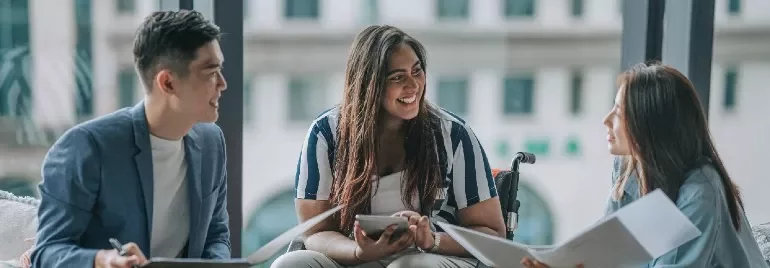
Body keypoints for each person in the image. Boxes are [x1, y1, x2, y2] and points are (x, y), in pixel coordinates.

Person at [271, 25, 506, 268]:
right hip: (354, 257)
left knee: (408, 266)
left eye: (417, 71)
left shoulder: (454, 134)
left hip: (433, 258)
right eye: (397, 77)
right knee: (290, 264)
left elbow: (493, 234)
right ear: (369, 84)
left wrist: (433, 240)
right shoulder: (325, 134)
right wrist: (359, 252)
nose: (413, 85)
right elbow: (315, 233)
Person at [31, 10, 231, 268]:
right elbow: (47, 252)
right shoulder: (86, 147)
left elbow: (215, 235)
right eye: (211, 72)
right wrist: (103, 260)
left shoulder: (211, 142)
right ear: (168, 83)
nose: (223, 84)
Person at [522, 62, 768, 268]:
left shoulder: (701, 190)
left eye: (619, 112)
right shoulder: (628, 169)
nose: (606, 120)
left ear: (649, 123)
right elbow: (607, 253)